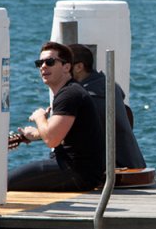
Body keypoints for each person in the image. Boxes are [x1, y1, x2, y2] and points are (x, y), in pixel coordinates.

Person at [8, 42, 104, 191]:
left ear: (67, 67)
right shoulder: (68, 91)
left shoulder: (69, 94)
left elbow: (52, 139)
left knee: (2, 184)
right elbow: (64, 132)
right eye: (39, 63)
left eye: (50, 62)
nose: (43, 67)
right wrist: (35, 134)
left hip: (77, 172)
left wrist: (40, 117)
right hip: (78, 171)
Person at [68, 43, 147, 169]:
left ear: (78, 67)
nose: (60, 68)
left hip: (115, 169)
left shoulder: (88, 96)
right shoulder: (109, 85)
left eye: (64, 64)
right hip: (133, 162)